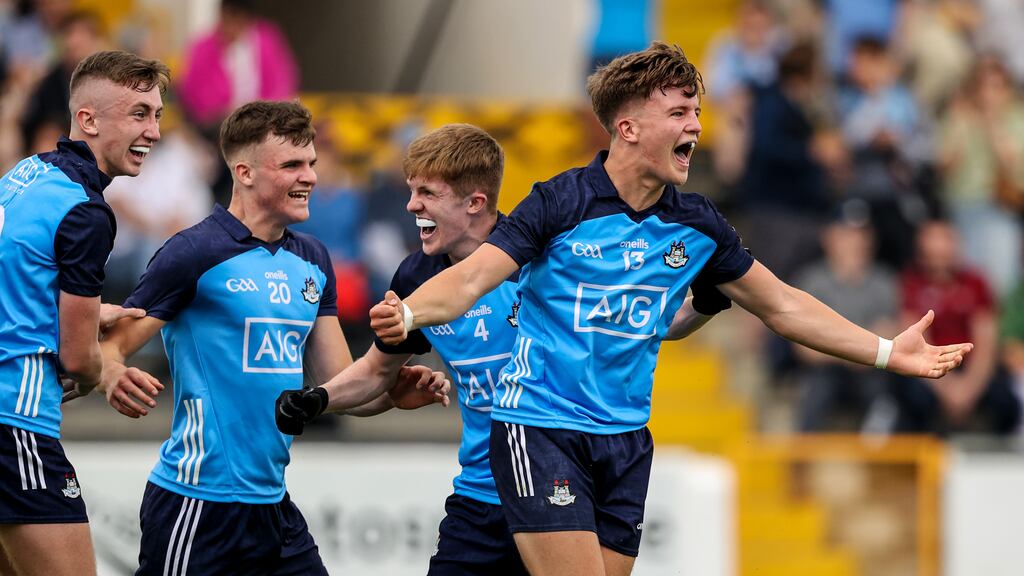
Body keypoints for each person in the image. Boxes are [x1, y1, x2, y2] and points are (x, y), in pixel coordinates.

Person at [371, 42, 973, 576]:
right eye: (679, 113)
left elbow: (783, 306)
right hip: (540, 428)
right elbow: (472, 278)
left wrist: (889, 351)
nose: (696, 128)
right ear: (628, 127)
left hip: (626, 442)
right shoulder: (559, 202)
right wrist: (411, 314)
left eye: (697, 113)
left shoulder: (696, 223)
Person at [278, 122, 731, 575]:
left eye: (426, 194)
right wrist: (317, 399)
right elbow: (377, 371)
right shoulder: (417, 277)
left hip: (564, 493)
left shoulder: (544, 254)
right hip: (481, 499)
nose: (411, 205)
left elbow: (653, 324)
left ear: (476, 202)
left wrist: (707, 303)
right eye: (412, 191)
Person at [97, 101, 448, 575]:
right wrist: (112, 373)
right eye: (292, 165)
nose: (310, 178)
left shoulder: (312, 259)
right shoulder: (193, 252)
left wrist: (388, 394)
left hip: (272, 508)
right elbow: (110, 344)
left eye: (311, 164)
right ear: (244, 172)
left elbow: (337, 385)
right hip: (197, 504)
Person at [0, 50, 166, 576]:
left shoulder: (26, 174)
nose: (154, 131)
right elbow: (76, 361)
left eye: (158, 114)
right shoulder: (87, 211)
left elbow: (19, 280)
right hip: (15, 423)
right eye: (139, 113)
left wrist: (90, 314)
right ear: (88, 119)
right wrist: (105, 371)